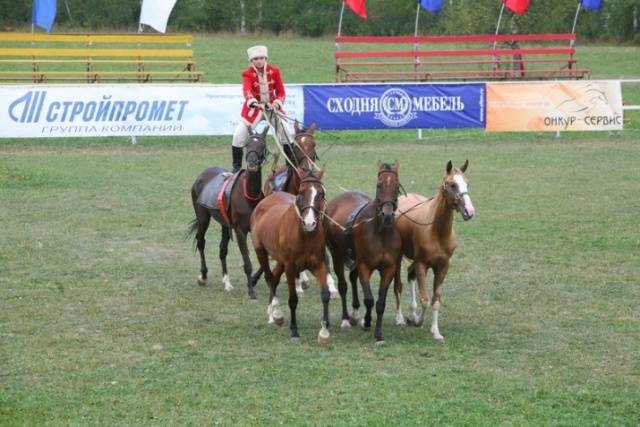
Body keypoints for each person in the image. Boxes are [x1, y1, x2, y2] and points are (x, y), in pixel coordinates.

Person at [231, 45, 293, 173]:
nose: (259, 61)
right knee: (238, 136)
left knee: (287, 132)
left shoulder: (275, 71)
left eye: (261, 58)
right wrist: (254, 103)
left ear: (265, 58)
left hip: (272, 109)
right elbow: (247, 91)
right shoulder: (247, 74)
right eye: (255, 59)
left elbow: (281, 92)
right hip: (254, 111)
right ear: (251, 61)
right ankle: (236, 167)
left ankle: (291, 165)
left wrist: (276, 103)